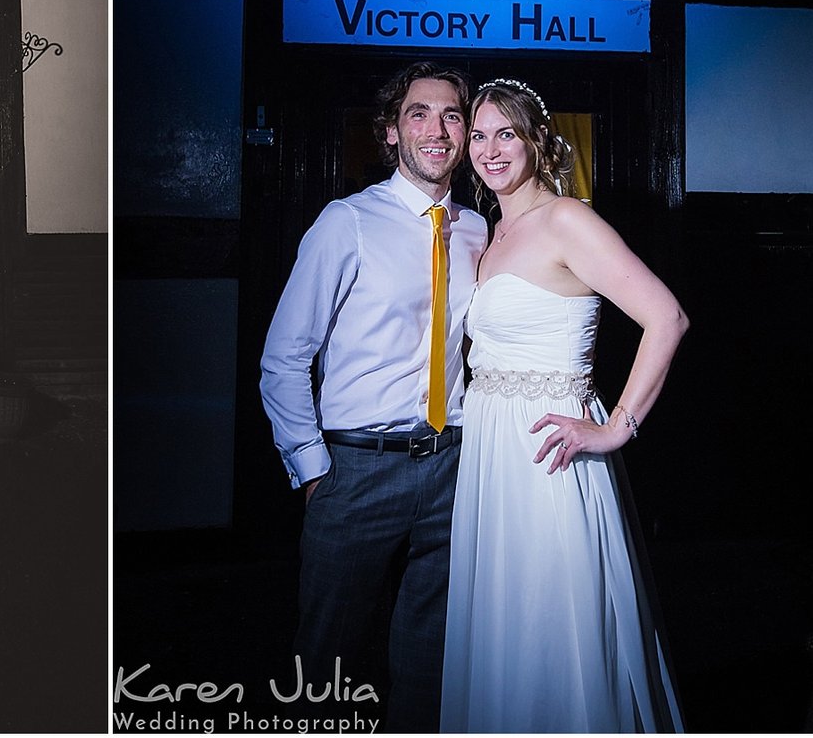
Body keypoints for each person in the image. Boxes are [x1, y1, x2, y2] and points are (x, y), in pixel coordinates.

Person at [441, 77, 686, 732]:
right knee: (504, 620)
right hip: (491, 453)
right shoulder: (492, 230)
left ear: (538, 142)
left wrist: (617, 427)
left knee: (550, 621)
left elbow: (666, 317)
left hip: (547, 448)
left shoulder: (567, 219)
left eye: (507, 134)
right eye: (481, 135)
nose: (491, 150)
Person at [260, 62, 488, 731]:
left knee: (433, 654)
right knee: (329, 653)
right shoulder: (347, 222)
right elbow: (284, 359)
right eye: (419, 113)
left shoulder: (476, 231)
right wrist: (314, 471)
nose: (437, 129)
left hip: (453, 466)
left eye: (452, 115)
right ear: (392, 131)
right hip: (357, 470)